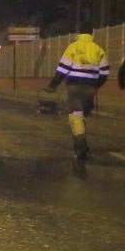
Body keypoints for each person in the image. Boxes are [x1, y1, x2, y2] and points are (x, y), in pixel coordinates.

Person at [44, 22, 109, 160]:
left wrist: (52, 85)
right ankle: (80, 143)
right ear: (92, 33)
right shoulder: (98, 49)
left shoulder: (73, 47)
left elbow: (62, 69)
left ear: (79, 33)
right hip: (90, 88)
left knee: (75, 116)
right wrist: (96, 85)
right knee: (82, 116)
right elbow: (104, 72)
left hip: (74, 87)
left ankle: (80, 145)